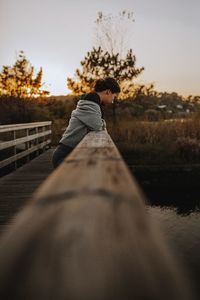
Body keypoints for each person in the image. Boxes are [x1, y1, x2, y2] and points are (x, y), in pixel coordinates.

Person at [52, 77, 121, 169]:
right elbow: (98, 125)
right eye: (114, 96)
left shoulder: (93, 103)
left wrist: (101, 122)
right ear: (108, 92)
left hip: (70, 151)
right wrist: (103, 123)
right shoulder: (90, 105)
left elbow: (97, 124)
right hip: (65, 154)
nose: (113, 100)